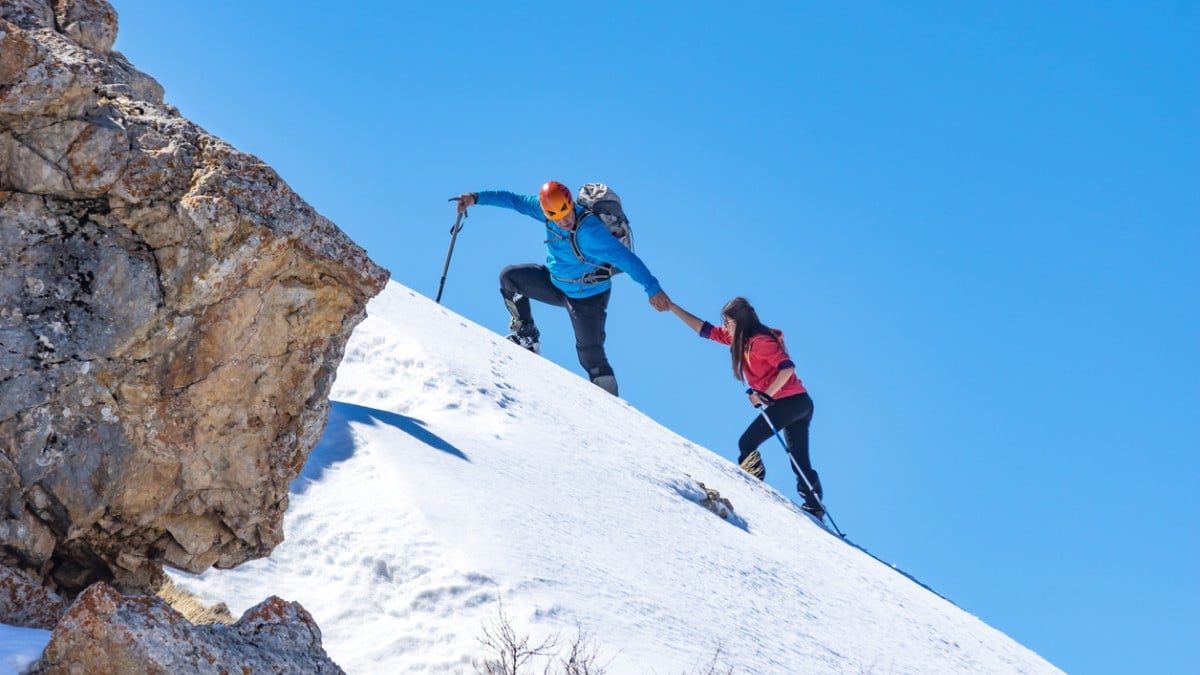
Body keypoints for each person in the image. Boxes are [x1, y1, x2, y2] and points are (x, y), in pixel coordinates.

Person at [454, 181, 671, 396]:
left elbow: (627, 259)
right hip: (555, 284)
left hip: (588, 296)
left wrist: (653, 289)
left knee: (590, 355)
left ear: (570, 203)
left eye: (567, 212)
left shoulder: (591, 232)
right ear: (547, 213)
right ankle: (527, 337)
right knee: (509, 278)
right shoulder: (546, 212)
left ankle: (614, 408)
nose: (564, 220)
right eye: (556, 217)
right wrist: (476, 198)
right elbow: (514, 200)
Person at [669, 297, 825, 518]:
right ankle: (815, 506)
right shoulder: (738, 340)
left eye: (727, 322)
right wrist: (673, 308)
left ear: (739, 322)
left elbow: (787, 368)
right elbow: (703, 329)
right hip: (798, 403)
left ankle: (756, 488)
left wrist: (764, 394)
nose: (725, 327)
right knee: (798, 459)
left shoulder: (760, 342)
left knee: (747, 443)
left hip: (792, 402)